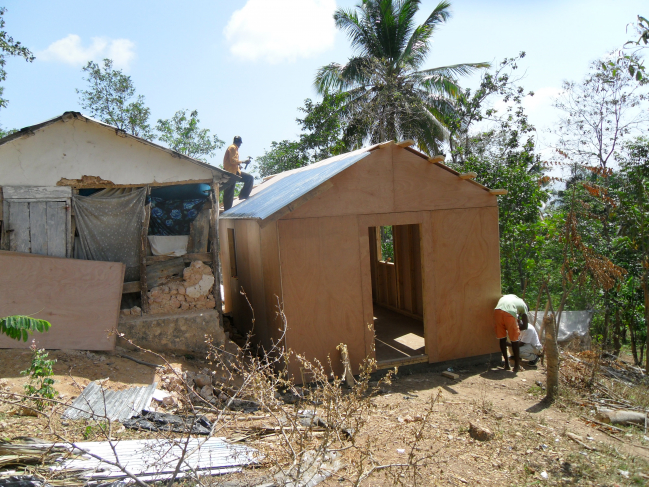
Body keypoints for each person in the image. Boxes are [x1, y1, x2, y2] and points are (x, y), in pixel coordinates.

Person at [494, 294, 529, 372]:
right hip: (509, 313)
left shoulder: (509, 297)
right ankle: (517, 366)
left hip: (497, 311)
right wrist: (515, 328)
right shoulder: (524, 306)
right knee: (514, 340)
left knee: (502, 338)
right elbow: (525, 326)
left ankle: (506, 364)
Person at [222, 135, 254, 211]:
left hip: (234, 172)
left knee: (229, 192)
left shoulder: (234, 148)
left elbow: (232, 161)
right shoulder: (233, 148)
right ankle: (243, 196)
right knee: (249, 178)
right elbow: (232, 161)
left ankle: (228, 209)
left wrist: (238, 166)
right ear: (239, 143)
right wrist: (243, 161)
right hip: (230, 173)